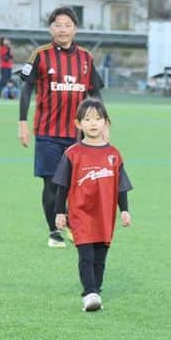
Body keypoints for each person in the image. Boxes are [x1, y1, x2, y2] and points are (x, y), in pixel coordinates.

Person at [18, 6, 104, 248]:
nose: (62, 29)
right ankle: (55, 232)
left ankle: (73, 225)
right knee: (52, 183)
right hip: (47, 133)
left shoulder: (86, 58)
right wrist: (22, 124)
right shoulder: (40, 55)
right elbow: (26, 89)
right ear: (51, 28)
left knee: (78, 186)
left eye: (67, 25)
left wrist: (102, 124)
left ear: (75, 29)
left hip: (78, 135)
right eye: (58, 25)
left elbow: (95, 91)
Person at [51, 99, 132, 312]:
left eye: (98, 118)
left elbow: (120, 186)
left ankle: (96, 288)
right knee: (86, 255)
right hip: (81, 214)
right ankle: (89, 293)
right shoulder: (72, 153)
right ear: (78, 124)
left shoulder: (113, 154)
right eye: (87, 119)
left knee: (100, 258)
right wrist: (60, 212)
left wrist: (124, 210)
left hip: (105, 215)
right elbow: (62, 185)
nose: (93, 123)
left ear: (106, 122)